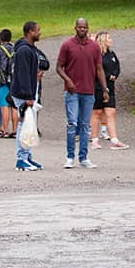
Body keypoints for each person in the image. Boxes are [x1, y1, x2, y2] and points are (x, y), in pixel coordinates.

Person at [57, 18, 108, 169]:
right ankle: (70, 156)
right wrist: (68, 81)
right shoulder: (67, 45)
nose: (82, 30)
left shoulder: (94, 47)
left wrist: (105, 89)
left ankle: (84, 157)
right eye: (80, 27)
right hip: (72, 91)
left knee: (86, 125)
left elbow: (99, 68)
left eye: (84, 27)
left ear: (88, 28)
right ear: (75, 28)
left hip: (88, 91)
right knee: (72, 123)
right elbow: (59, 67)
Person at [10, 21, 43, 171]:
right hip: (24, 94)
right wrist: (28, 96)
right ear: (30, 32)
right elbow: (22, 74)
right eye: (38, 30)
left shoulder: (29, 49)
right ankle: (21, 157)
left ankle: (27, 155)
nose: (40, 33)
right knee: (24, 125)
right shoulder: (24, 50)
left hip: (28, 92)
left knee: (29, 124)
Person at [90, 32, 128, 151]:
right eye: (108, 38)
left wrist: (114, 75)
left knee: (111, 112)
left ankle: (114, 140)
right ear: (102, 40)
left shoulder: (111, 54)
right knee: (97, 113)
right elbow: (95, 70)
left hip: (110, 87)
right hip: (98, 87)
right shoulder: (96, 55)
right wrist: (106, 76)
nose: (111, 40)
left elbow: (117, 66)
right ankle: (95, 139)